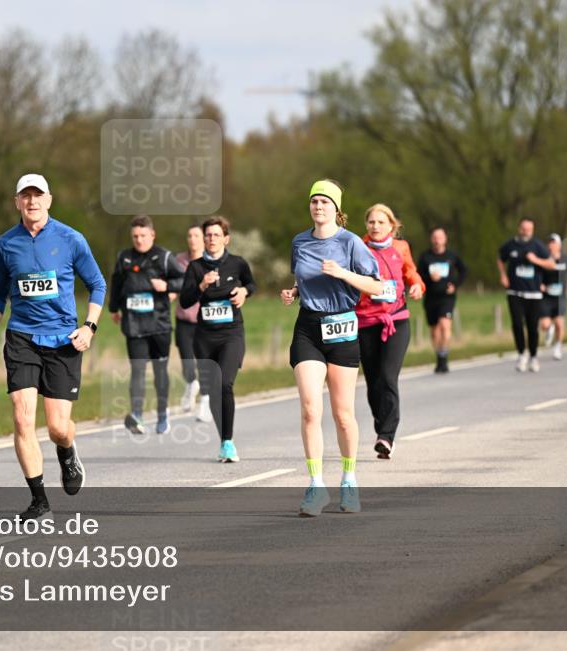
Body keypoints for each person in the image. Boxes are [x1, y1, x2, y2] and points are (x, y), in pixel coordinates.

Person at [0, 174, 106, 521]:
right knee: (22, 418)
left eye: (38, 195)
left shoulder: (70, 239)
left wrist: (89, 327)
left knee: (58, 428)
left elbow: (97, 284)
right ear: (17, 202)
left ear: (49, 199)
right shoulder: (5, 244)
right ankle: (39, 500)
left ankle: (67, 450)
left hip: (63, 340)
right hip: (22, 338)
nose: (32, 201)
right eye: (25, 196)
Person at [281, 179, 382, 516]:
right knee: (311, 409)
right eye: (314, 201)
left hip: (342, 328)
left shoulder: (351, 243)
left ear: (336, 209)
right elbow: (303, 277)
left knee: (343, 414)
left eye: (325, 201)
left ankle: (349, 480)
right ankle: (315, 485)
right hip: (308, 328)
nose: (319, 206)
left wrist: (343, 274)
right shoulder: (299, 242)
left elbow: (376, 286)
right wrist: (294, 292)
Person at [179, 216, 256, 463]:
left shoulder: (237, 263)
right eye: (208, 235)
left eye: (216, 235)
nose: (212, 239)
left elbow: (251, 284)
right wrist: (201, 285)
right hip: (204, 338)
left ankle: (228, 442)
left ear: (226, 239)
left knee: (225, 384)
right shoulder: (195, 267)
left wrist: (244, 291)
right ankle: (224, 440)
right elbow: (185, 301)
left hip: (232, 334)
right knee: (213, 391)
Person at [355, 204, 424, 460]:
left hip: (396, 320)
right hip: (366, 321)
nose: (375, 226)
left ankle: (387, 435)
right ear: (366, 225)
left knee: (387, 376)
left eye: (381, 222)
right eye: (371, 222)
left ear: (392, 226)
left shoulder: (401, 248)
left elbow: (411, 272)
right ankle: (381, 430)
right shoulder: (357, 247)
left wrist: (417, 285)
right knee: (373, 381)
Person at [108, 215, 185, 435]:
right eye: (135, 236)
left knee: (160, 372)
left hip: (159, 325)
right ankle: (137, 416)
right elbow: (116, 283)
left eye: (143, 235)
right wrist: (114, 308)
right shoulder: (124, 257)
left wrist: (167, 286)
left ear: (152, 235)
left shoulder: (164, 257)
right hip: (134, 325)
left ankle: (162, 415)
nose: (139, 240)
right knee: (137, 370)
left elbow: (185, 280)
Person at [497, 218, 557, 373]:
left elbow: (551, 264)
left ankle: (534, 356)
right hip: (515, 292)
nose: (527, 232)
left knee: (532, 326)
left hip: (533, 294)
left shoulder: (537, 246)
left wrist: (535, 260)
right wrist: (503, 275)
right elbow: (500, 258)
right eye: (524, 229)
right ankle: (521, 354)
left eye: (530, 229)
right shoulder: (511, 245)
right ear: (519, 229)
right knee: (517, 324)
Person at [417, 227, 467, 373]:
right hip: (431, 298)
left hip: (447, 297)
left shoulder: (452, 255)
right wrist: (429, 278)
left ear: (445, 239)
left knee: (445, 325)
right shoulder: (425, 257)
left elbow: (464, 271)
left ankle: (444, 356)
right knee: (435, 332)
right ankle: (439, 357)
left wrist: (455, 285)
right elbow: (417, 276)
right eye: (435, 237)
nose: (437, 240)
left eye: (440, 237)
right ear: (431, 239)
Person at [174, 225, 210, 419]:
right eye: (189, 235)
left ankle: (204, 401)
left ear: (203, 238)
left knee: (204, 362)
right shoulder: (179, 261)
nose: (192, 239)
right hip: (184, 319)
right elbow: (174, 285)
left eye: (196, 235)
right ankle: (191, 384)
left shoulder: (211, 260)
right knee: (187, 360)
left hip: (205, 320)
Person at [539, 234, 567, 361]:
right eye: (550, 243)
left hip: (560, 296)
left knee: (560, 323)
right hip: (546, 296)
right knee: (544, 324)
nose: (551, 245)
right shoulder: (544, 259)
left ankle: (558, 347)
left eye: (554, 243)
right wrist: (540, 285)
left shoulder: (565, 259)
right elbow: (537, 274)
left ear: (559, 245)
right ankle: (549, 329)